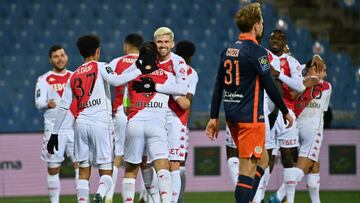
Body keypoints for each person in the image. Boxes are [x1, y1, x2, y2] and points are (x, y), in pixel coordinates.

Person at [46, 34, 154, 203]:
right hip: (100, 123)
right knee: (106, 171)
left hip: (80, 124)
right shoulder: (102, 66)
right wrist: (140, 70)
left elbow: (63, 107)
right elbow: (117, 81)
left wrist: (54, 134)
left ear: (81, 53)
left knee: (83, 169)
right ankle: (100, 195)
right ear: (97, 52)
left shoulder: (72, 76)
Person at [205, 3, 293, 203]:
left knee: (263, 159)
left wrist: (213, 117)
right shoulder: (258, 52)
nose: (263, 25)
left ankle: (246, 198)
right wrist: (285, 111)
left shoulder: (228, 51)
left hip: (232, 117)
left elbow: (218, 85)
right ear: (255, 25)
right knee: (247, 170)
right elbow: (270, 85)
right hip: (250, 119)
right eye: (261, 22)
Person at [120, 42, 189, 203]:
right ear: (156, 57)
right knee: (162, 166)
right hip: (156, 125)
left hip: (134, 123)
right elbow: (183, 101)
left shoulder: (130, 76)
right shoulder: (168, 77)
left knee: (131, 170)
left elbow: (125, 108)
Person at [35, 45, 79, 203]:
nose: (59, 59)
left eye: (62, 55)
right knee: (53, 168)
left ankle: (83, 200)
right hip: (54, 130)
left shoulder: (75, 76)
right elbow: (38, 103)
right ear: (50, 59)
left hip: (74, 129)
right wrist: (48, 103)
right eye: (55, 56)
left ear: (67, 57)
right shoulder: (44, 79)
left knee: (80, 166)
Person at [283, 60, 331, 203]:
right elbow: (290, 96)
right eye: (315, 68)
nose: (318, 71)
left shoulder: (323, 86)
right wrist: (305, 83)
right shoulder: (325, 86)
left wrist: (305, 81)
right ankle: (279, 197)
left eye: (320, 69)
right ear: (308, 69)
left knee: (314, 165)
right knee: (304, 166)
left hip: (298, 127)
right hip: (307, 129)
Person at [105, 33, 144, 203]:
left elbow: (107, 84)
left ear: (127, 45)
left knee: (118, 154)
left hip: (120, 111)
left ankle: (108, 195)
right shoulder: (147, 62)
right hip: (140, 112)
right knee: (144, 157)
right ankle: (146, 196)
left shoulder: (115, 62)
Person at [154, 27, 190, 203]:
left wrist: (158, 85)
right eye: (160, 42)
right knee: (158, 163)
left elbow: (182, 92)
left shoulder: (178, 62)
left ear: (172, 43)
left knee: (174, 164)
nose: (163, 45)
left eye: (166, 42)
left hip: (174, 116)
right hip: (155, 116)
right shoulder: (150, 60)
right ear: (155, 43)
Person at [174, 40, 199, 203]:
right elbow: (187, 102)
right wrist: (184, 125)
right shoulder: (191, 73)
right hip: (179, 123)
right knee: (180, 166)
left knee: (159, 164)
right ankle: (178, 200)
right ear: (190, 57)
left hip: (159, 122)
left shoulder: (166, 66)